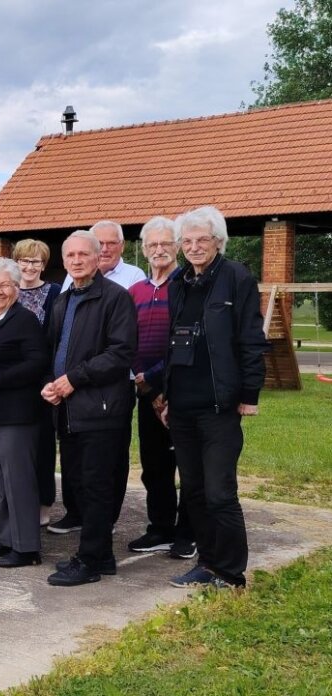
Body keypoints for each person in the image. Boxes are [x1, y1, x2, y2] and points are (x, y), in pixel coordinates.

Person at [165, 206, 267, 589]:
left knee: (220, 491)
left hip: (220, 404)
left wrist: (249, 393)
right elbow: (172, 344)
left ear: (218, 241)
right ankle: (207, 563)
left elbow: (250, 339)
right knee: (192, 489)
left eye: (201, 240)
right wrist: (169, 396)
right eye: (187, 241)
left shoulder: (236, 278)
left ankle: (230, 572)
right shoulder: (179, 281)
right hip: (183, 405)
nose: (194, 246)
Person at [42, 231, 137, 587]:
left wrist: (74, 379)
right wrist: (52, 383)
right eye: (71, 255)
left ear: (99, 258)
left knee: (97, 487)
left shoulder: (115, 298)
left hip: (101, 408)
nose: (77, 260)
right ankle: (104, 556)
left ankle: (90, 560)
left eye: (84, 254)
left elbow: (120, 353)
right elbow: (55, 351)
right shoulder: (63, 301)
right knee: (80, 485)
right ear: (64, 261)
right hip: (68, 408)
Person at [0, 258, 49, 567]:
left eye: (4, 285)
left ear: (16, 288)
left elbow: (36, 362)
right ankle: (6, 538)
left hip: (18, 413)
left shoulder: (24, 320)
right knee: (2, 480)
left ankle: (27, 548)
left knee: (19, 480)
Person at [126, 217, 195, 559]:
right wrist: (145, 383)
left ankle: (188, 533)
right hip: (145, 391)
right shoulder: (135, 291)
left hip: (180, 389)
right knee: (154, 466)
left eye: (165, 244)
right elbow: (126, 340)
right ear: (143, 249)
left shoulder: (188, 284)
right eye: (152, 245)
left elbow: (185, 341)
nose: (158, 250)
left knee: (189, 464)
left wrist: (157, 382)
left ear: (178, 246)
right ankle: (161, 528)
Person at [10, 239, 59, 526]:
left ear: (43, 264)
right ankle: (15, 503)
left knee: (41, 445)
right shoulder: (7, 291)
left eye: (36, 261)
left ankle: (42, 504)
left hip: (40, 379)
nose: (29, 267)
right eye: (24, 261)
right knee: (11, 446)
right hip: (9, 380)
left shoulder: (54, 292)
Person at [59, 220, 146, 292]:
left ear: (122, 246)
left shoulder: (135, 276)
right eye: (99, 243)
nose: (104, 249)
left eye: (111, 243)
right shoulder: (76, 274)